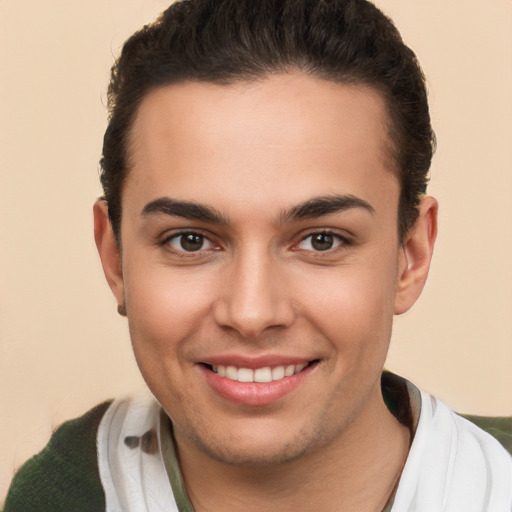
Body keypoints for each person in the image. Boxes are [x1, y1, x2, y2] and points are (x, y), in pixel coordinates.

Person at [4, 0, 512, 510]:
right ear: (116, 260)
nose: (251, 314)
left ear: (411, 255)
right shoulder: (57, 495)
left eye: (321, 240)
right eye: (191, 241)